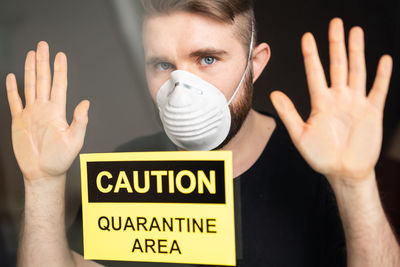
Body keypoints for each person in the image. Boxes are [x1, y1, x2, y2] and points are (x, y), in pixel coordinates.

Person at [5, 0, 400, 266]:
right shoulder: (126, 173)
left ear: (255, 64)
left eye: (207, 59)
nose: (181, 87)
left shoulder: (318, 168)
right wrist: (42, 183)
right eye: (162, 64)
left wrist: (354, 184)